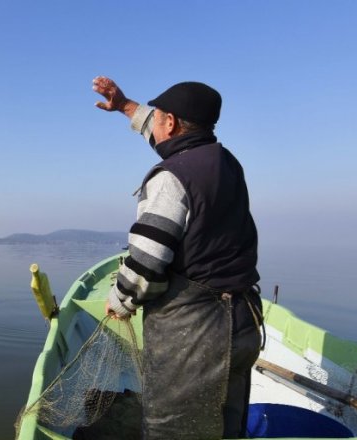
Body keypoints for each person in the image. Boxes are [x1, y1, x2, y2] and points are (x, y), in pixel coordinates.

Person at [93, 76, 263, 439]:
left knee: (172, 428)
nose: (153, 122)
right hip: (243, 322)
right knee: (226, 425)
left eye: (157, 116)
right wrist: (124, 105)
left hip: (197, 335)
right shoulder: (226, 162)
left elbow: (146, 261)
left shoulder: (171, 178)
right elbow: (166, 140)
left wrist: (121, 300)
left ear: (170, 122)